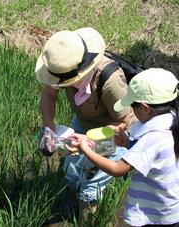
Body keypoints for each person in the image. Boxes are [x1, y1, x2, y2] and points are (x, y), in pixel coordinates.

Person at [35, 27, 135, 219]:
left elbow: (125, 122)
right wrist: (49, 127)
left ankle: (86, 220)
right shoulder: (61, 67)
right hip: (82, 122)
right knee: (71, 172)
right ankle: (67, 211)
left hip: (111, 132)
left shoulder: (109, 80)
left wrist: (87, 141)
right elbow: (49, 94)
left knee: (91, 185)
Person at [69, 68, 179, 226]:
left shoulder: (152, 137)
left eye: (133, 108)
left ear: (144, 108)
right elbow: (155, 154)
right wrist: (127, 142)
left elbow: (117, 169)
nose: (133, 113)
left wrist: (85, 149)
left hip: (156, 215)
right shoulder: (173, 121)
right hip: (174, 207)